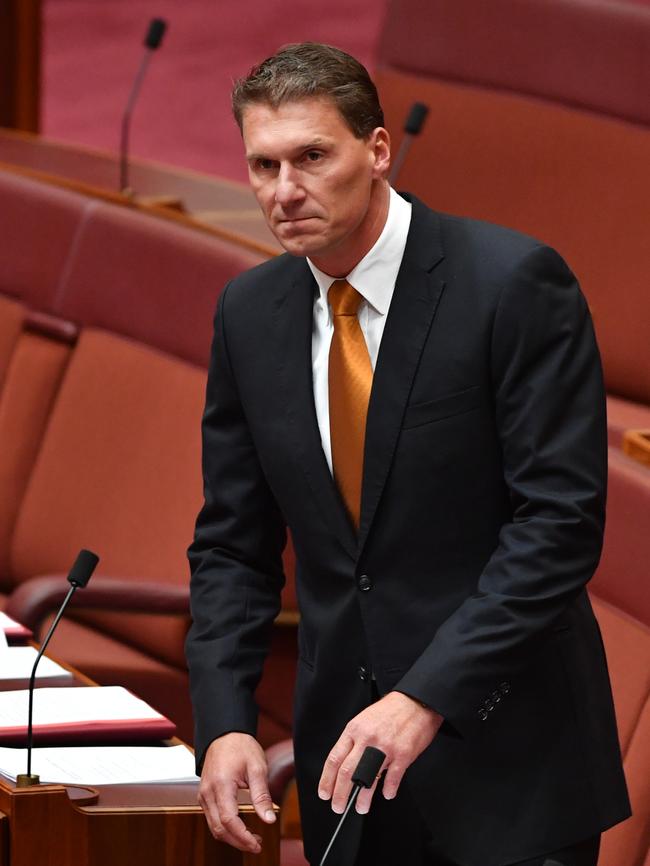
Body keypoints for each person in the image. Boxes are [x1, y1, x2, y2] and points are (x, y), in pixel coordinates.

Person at [185, 42, 630, 866]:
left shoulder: (512, 285)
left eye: (313, 157)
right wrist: (224, 723)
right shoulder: (249, 314)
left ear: (378, 150)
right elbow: (231, 546)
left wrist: (425, 694)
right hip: (347, 779)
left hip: (510, 771)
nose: (285, 192)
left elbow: (557, 527)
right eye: (263, 165)